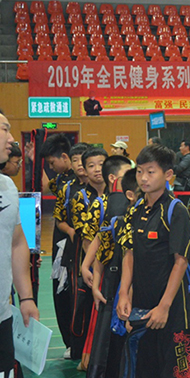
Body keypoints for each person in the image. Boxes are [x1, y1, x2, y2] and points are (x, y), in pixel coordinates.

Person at [115, 144, 190, 377]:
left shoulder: (176, 210)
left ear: (168, 174)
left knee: (179, 372)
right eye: (140, 171)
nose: (143, 178)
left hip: (172, 312)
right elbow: (129, 254)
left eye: (151, 172)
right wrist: (124, 294)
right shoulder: (137, 209)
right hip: (142, 310)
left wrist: (164, 307)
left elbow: (180, 261)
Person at [79, 155, 132, 377]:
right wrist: (88, 268)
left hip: (127, 280)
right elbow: (96, 240)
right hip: (110, 281)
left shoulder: (137, 204)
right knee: (106, 335)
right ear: (114, 178)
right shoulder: (102, 204)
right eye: (128, 173)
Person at [0, 110, 40, 378]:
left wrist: (25, 297)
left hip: (3, 315)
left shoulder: (8, 187)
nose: (12, 139)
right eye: (5, 129)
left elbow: (17, 242)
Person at [50, 142, 89, 359]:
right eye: (75, 160)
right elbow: (59, 220)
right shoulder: (66, 188)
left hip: (96, 253)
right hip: (72, 252)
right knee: (69, 296)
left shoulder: (101, 189)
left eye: (83, 159)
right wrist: (73, 231)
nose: (80, 164)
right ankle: (72, 343)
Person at [69, 147, 108, 368]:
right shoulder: (80, 197)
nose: (96, 170)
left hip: (118, 264)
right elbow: (86, 238)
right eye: (91, 165)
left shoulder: (118, 195)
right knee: (93, 311)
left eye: (101, 164)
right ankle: (91, 360)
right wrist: (95, 268)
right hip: (94, 264)